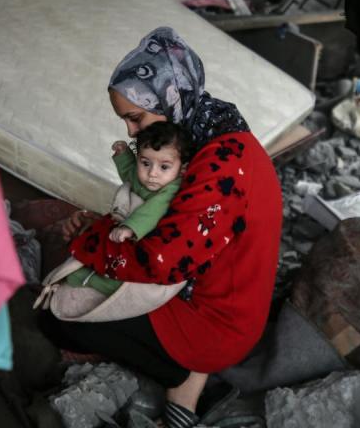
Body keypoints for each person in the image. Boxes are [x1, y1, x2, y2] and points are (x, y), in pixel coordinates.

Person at [40, 27, 283, 428]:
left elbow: (161, 262)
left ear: (170, 98)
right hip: (209, 298)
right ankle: (183, 386)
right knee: (82, 279)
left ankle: (184, 375)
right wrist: (105, 231)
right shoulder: (211, 134)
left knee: (55, 318)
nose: (131, 133)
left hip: (214, 323)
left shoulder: (223, 162)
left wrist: (90, 244)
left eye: (135, 118)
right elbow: (167, 218)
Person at [60, 121, 193, 305]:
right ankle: (85, 264)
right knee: (94, 244)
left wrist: (130, 228)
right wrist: (123, 155)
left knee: (123, 267)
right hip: (120, 225)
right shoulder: (143, 177)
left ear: (182, 169)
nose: (152, 173)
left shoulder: (171, 188)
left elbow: (154, 210)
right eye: (145, 163)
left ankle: (98, 282)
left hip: (140, 235)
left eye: (164, 167)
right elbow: (130, 173)